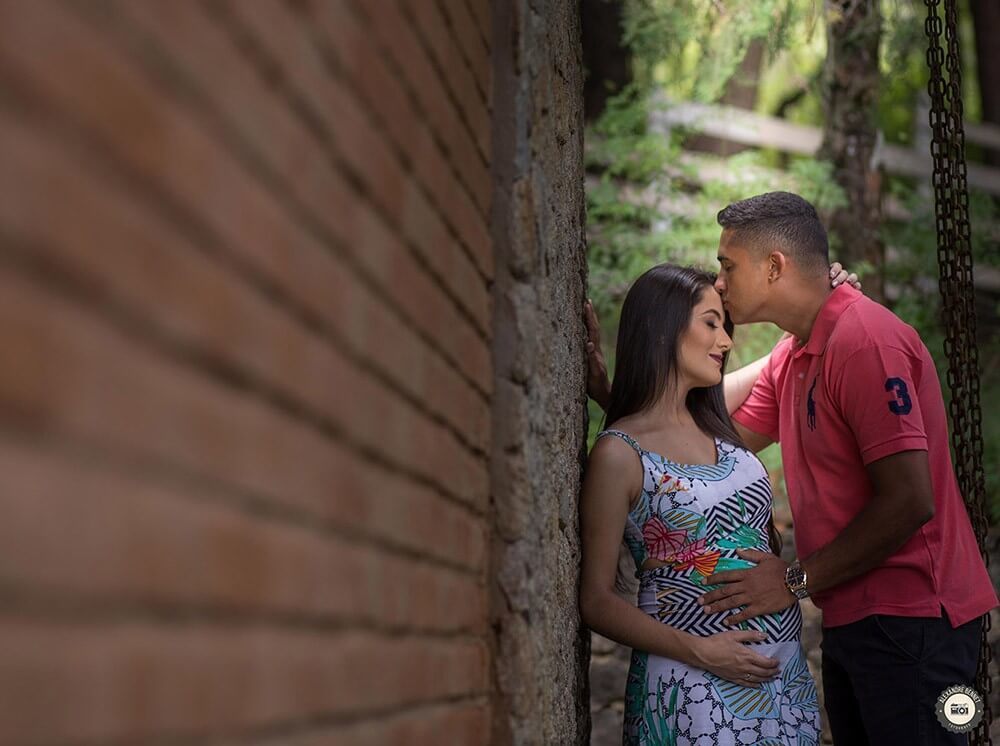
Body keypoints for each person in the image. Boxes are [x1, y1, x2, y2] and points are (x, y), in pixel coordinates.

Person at [589, 191, 997, 745]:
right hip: (853, 620)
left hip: (917, 621)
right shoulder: (796, 356)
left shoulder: (865, 343)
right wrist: (612, 396)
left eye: (728, 266)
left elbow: (910, 500)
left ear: (774, 266)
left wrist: (792, 580)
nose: (721, 282)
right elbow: (696, 450)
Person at [580, 263, 829, 745]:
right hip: (690, 687)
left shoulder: (712, 421)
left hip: (781, 683)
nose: (726, 341)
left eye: (724, 325)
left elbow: (783, 356)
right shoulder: (618, 454)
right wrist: (703, 652)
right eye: (711, 323)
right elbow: (596, 600)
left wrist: (826, 289)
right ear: (663, 329)